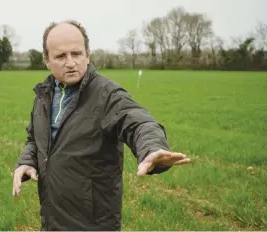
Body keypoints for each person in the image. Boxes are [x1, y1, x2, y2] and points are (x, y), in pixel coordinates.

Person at [12, 20, 191, 231]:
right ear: (47, 60)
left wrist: (151, 148)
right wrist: (27, 161)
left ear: (87, 54)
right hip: (52, 217)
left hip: (93, 222)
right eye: (61, 56)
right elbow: (36, 138)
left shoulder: (107, 95)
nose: (71, 62)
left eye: (77, 53)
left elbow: (137, 121)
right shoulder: (44, 94)